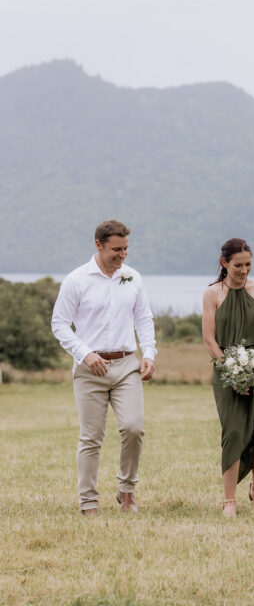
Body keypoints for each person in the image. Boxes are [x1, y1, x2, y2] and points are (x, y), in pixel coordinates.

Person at [51, 220, 156, 516]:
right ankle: (88, 503)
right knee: (91, 436)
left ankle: (127, 491)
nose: (122, 255)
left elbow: (144, 319)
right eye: (116, 249)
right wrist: (85, 354)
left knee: (134, 428)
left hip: (126, 365)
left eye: (125, 249)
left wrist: (148, 353)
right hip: (90, 369)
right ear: (98, 245)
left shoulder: (132, 277)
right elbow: (59, 323)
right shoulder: (76, 280)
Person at [202, 238, 254, 517]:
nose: (244, 270)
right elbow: (209, 339)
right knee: (233, 431)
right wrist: (232, 371)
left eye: (248, 264)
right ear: (224, 263)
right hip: (226, 371)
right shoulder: (212, 294)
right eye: (238, 265)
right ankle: (229, 500)